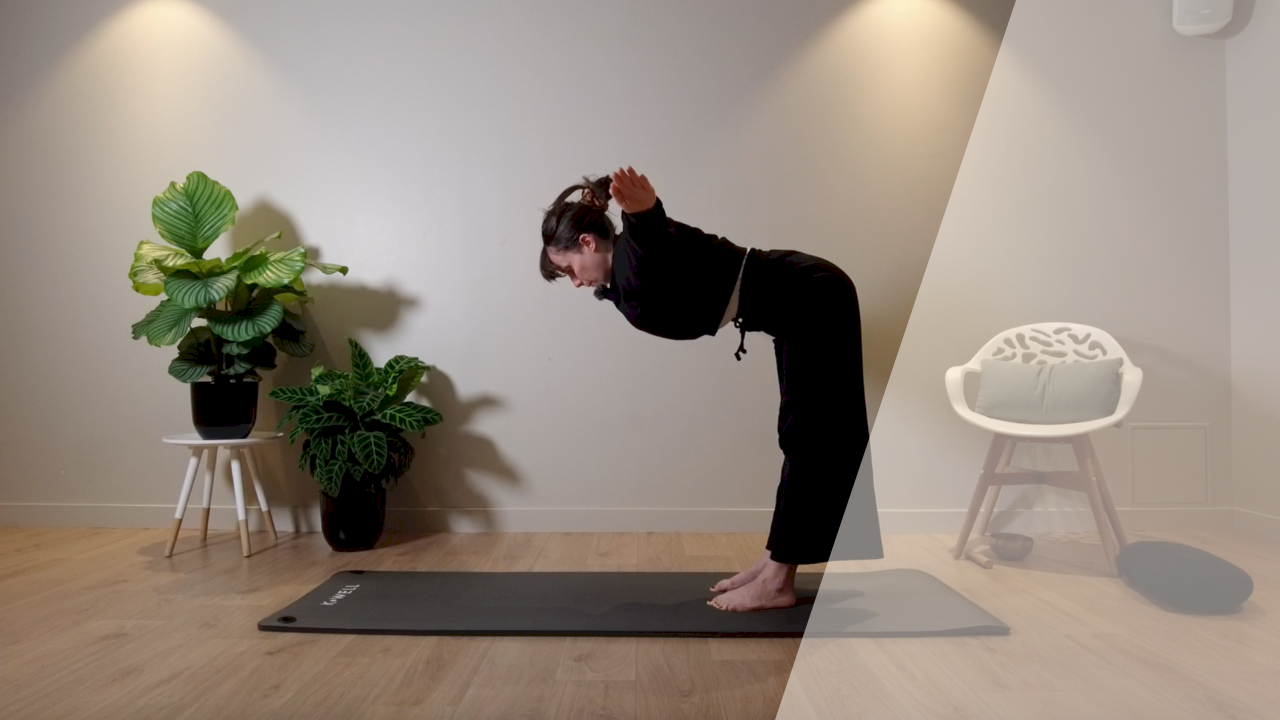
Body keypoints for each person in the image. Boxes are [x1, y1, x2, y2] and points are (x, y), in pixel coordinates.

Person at [540, 167, 870, 612]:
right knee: (797, 434)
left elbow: (650, 236)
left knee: (811, 435)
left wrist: (642, 210)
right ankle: (775, 560)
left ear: (586, 243)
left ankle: (778, 580)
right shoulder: (622, 277)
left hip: (813, 296)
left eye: (570, 270)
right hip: (796, 305)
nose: (576, 282)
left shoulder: (634, 254)